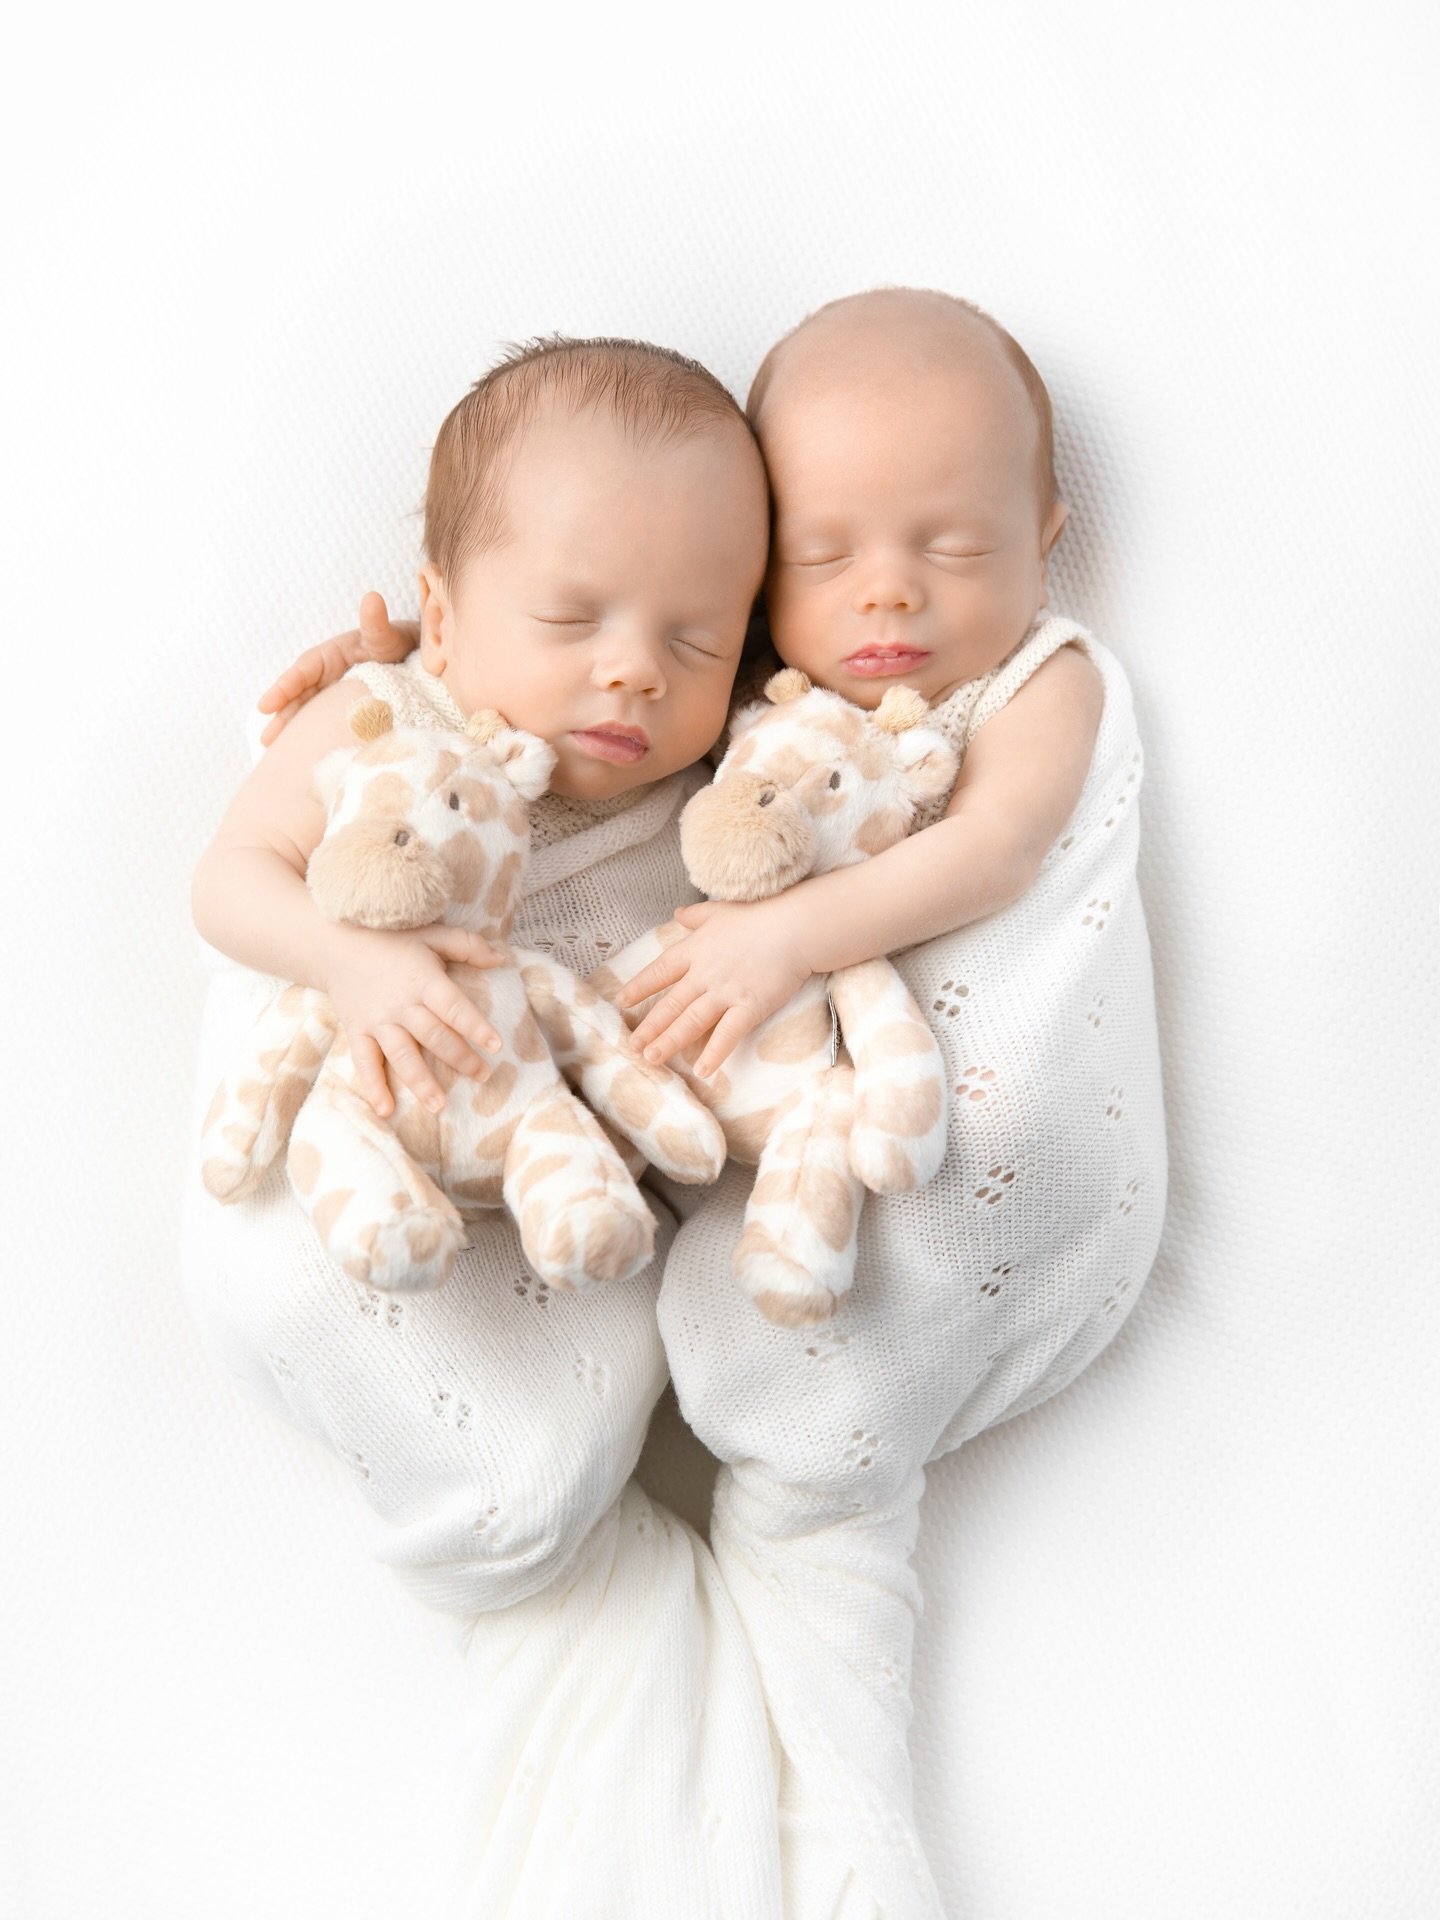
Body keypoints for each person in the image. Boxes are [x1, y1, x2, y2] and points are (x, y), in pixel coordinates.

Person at [242, 290, 1168, 1917]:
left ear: (1045, 533)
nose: (887, 594)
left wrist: (790, 932)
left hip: (970, 1149)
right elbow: (546, 694)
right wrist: (394, 667)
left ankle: (813, 1675)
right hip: (579, 1147)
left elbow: (999, 850)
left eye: (953, 544)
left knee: (818, 1478)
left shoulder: (1027, 681)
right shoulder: (688, 708)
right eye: (827, 561)